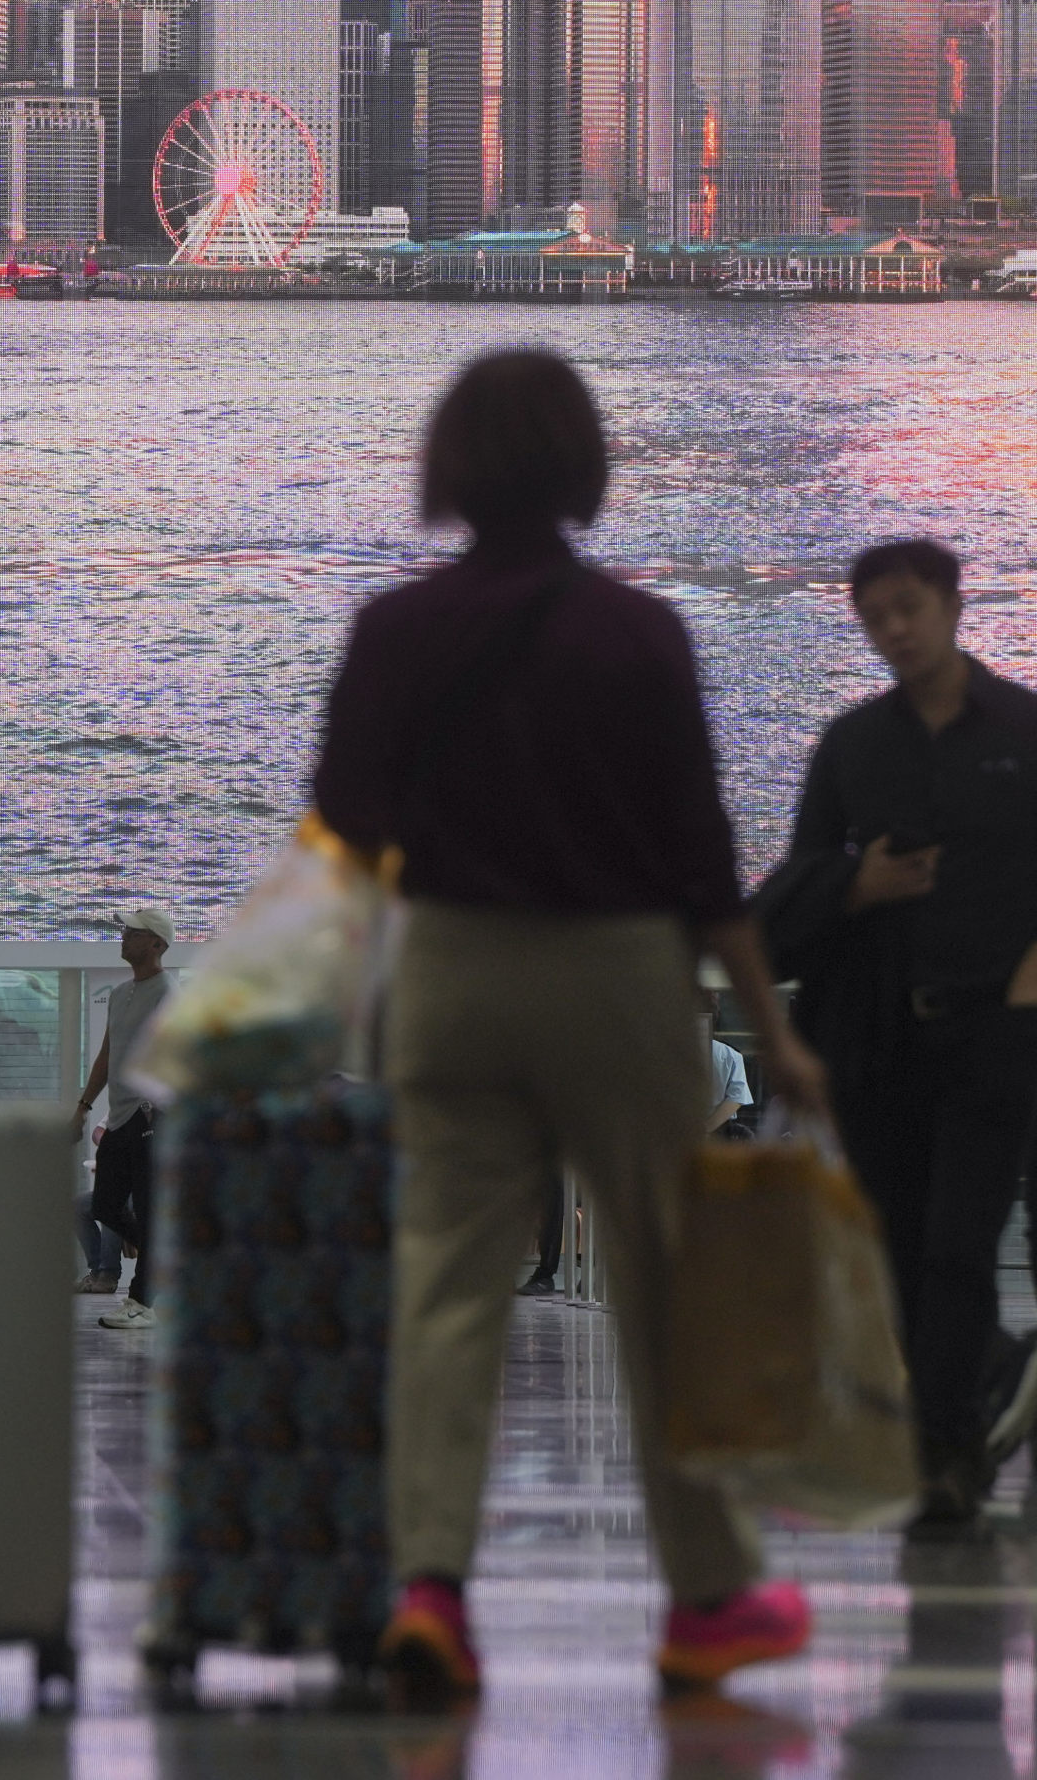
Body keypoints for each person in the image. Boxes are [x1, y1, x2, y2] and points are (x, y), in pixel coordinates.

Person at [314, 349, 830, 1705]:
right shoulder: (638, 634)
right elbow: (703, 859)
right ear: (586, 466)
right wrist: (771, 1027)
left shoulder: (392, 631)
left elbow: (347, 838)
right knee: (667, 1283)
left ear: (450, 464)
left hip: (449, 971)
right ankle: (709, 1595)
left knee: (446, 1284)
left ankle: (428, 1579)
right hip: (617, 974)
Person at [756, 537, 1037, 1528]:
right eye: (874, 617)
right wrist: (854, 884)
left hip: (994, 1028)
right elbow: (798, 880)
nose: (894, 630)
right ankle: (943, 1422)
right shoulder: (852, 745)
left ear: (953, 603)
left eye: (907, 607)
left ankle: (945, 1456)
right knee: (901, 1253)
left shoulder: (1032, 731)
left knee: (959, 1243)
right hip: (876, 1035)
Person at [76, 906, 176, 1328]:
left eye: (133, 933)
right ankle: (159, 1256)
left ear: (156, 944)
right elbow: (107, 1055)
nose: (124, 938)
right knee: (104, 1205)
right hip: (119, 1117)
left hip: (152, 1115)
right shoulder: (120, 994)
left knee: (151, 1210)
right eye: (125, 932)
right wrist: (83, 1107)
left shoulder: (171, 995)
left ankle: (142, 1302)